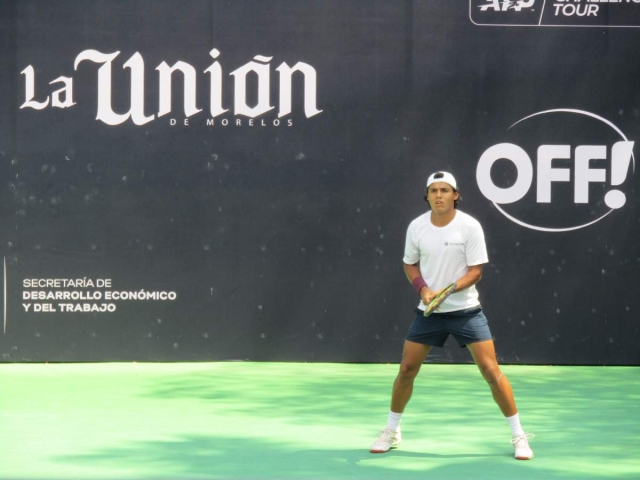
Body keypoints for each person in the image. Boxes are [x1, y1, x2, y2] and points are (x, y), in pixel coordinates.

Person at [369, 171, 534, 460]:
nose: (439, 195)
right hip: (428, 312)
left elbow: (475, 271)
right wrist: (423, 290)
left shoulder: (469, 226)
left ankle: (518, 435)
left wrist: (446, 291)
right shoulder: (417, 227)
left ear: (455, 195)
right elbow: (410, 265)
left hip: (466, 311)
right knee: (407, 369)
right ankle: (391, 430)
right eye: (433, 191)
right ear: (427, 195)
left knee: (490, 371)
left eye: (445, 190)